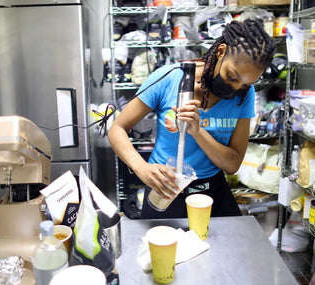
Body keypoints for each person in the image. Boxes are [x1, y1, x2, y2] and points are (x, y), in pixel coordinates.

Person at [108, 19, 276, 219]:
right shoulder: (168, 79)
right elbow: (117, 127)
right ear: (221, 52)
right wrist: (141, 167)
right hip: (166, 190)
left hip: (213, 193)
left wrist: (198, 131)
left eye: (246, 84)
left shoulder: (243, 96)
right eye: (232, 76)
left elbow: (232, 164)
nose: (236, 88)